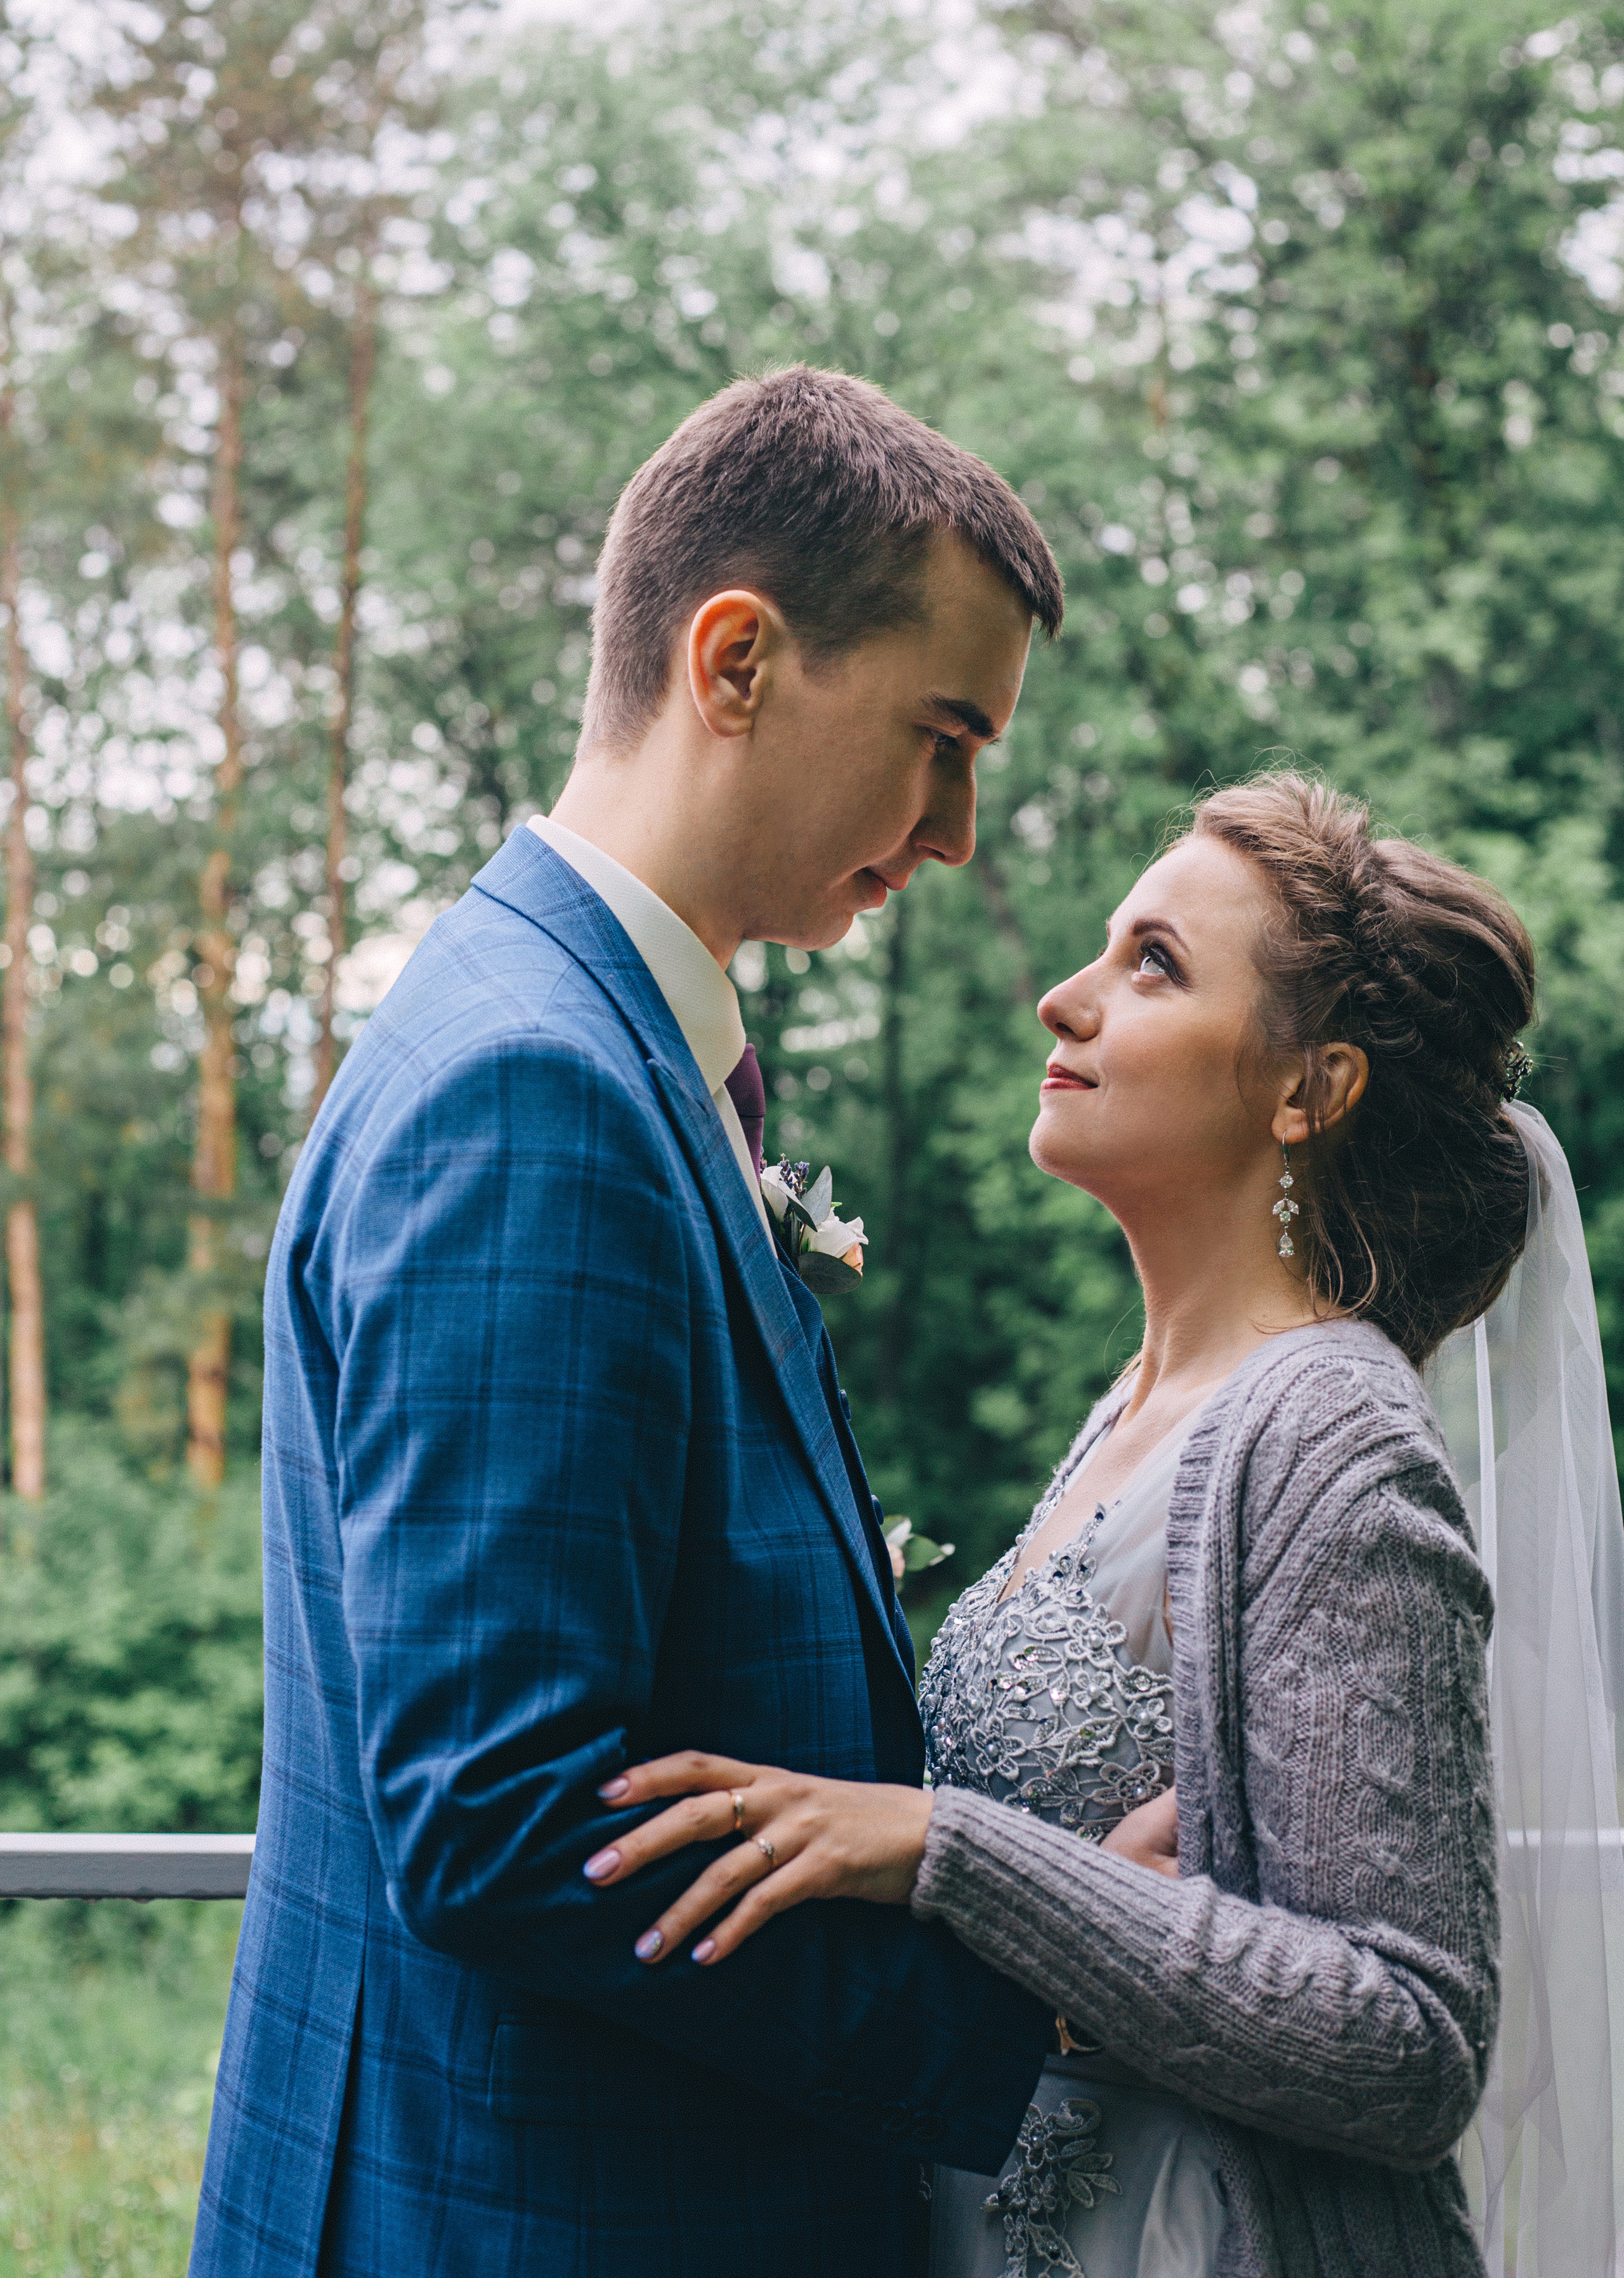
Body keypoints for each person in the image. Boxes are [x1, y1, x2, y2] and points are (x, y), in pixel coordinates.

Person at [188, 367, 1073, 2278]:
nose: (959, 831)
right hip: (539, 2214)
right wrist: (1041, 2017)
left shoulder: (575, 1036)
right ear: (736, 659)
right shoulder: (537, 1086)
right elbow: (504, 1817)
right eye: (941, 737)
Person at [590, 772, 1614, 2278]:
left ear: (1307, 1090)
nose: (1064, 1002)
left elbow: (1406, 2038)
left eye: (1153, 964)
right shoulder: (1128, 1406)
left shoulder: (1326, 1430)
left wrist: (951, 1846)